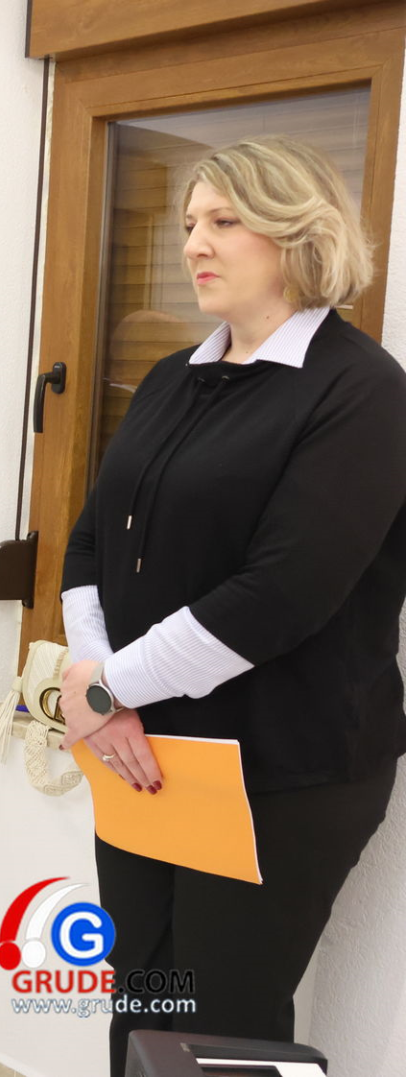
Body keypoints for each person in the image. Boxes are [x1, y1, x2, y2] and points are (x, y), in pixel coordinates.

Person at [55, 136, 406, 1077]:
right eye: (188, 223)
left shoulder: (362, 390)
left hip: (279, 767)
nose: (194, 244)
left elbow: (279, 594)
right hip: (142, 747)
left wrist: (105, 689)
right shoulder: (174, 376)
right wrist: (97, 685)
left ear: (299, 232)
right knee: (142, 999)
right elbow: (90, 540)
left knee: (223, 1030)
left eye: (224, 220)